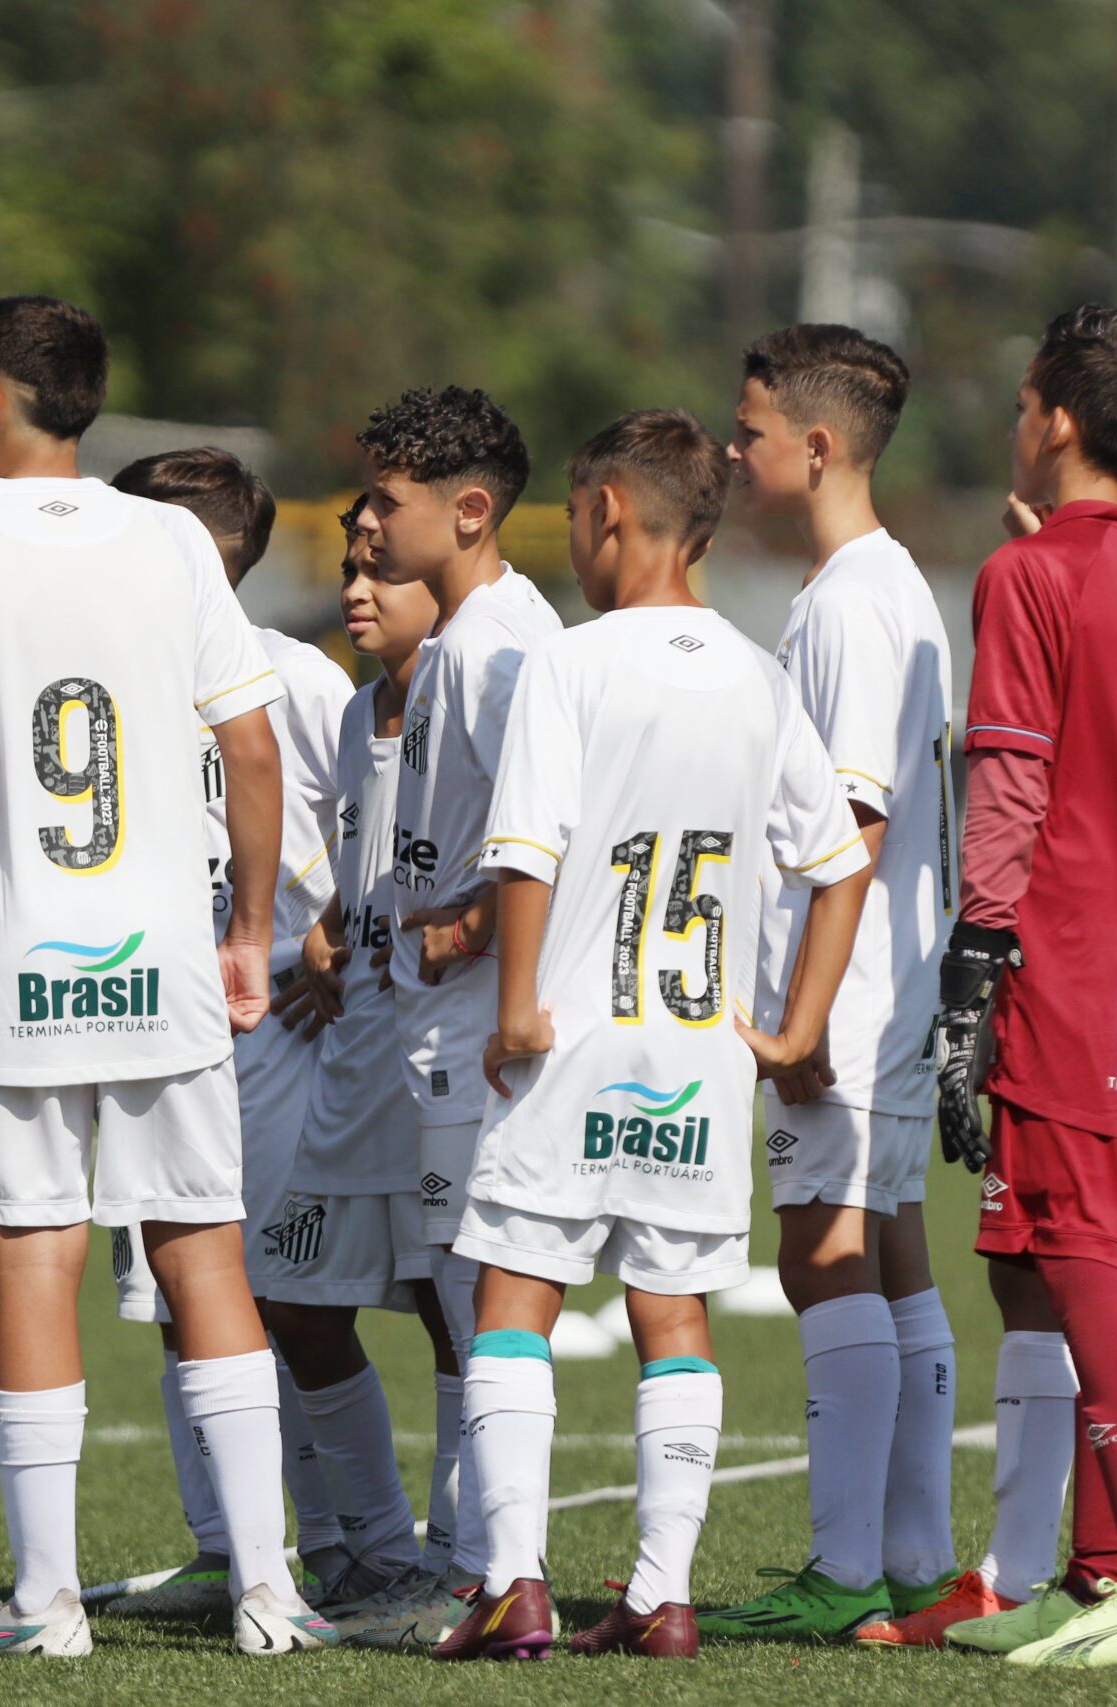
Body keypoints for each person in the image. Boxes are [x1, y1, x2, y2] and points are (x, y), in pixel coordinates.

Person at [0, 296, 333, 1657]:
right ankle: (267, 1587)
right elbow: (251, 751)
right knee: (203, 1249)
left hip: (19, 963)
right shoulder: (174, 537)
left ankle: (48, 1600)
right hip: (165, 960)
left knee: (36, 1253)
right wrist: (247, 926)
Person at [431, 409, 873, 1662]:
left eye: (573, 516)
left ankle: (513, 1582)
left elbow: (526, 850)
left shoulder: (571, 665)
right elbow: (838, 866)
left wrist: (516, 1004)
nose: (572, 539)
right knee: (672, 1311)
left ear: (610, 512)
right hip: (698, 1050)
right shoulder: (754, 673)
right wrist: (794, 1031)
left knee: (512, 1297)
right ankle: (661, 1595)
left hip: (571, 1034)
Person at [933, 306, 1117, 1668]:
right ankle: (1102, 1567)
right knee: (1106, 1252)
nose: (1014, 419)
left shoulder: (1027, 575)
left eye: (1020, 399)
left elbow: (1008, 779)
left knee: (1066, 1253)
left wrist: (974, 962)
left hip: (1061, 960)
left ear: (1055, 418)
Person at [701, 325, 963, 1643]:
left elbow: (847, 824)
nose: (733, 451)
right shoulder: (888, 586)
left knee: (826, 1255)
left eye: (747, 431)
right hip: (883, 985)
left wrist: (801, 1008)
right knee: (892, 1252)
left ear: (815, 444)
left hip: (849, 987)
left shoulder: (854, 601)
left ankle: (847, 1565)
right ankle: (914, 1562)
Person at [99, 449, 372, 1616]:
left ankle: (366, 1546)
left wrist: (337, 935)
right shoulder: (100, 674)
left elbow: (377, 820)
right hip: (137, 1025)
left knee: (291, 1306)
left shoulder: (292, 677)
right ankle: (227, 1549)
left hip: (274, 1037)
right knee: (175, 1294)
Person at [358, 385, 563, 1626]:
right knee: (450, 1295)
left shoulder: (503, 648)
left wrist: (473, 928)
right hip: (433, 1025)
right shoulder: (464, 636)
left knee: (476, 1293)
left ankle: (489, 1565)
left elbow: (553, 830)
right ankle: (469, 1555)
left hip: (480, 1034)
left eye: (388, 501)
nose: (368, 526)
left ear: (468, 510)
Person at [271, 497, 469, 1649]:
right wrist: (334, 930)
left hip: (435, 1063)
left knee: (457, 1317)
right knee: (292, 1296)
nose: (356, 589)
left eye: (378, 571)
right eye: (349, 569)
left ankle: (456, 1563)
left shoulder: (465, 696)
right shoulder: (355, 714)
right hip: (355, 1062)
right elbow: (377, 869)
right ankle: (381, 1545)